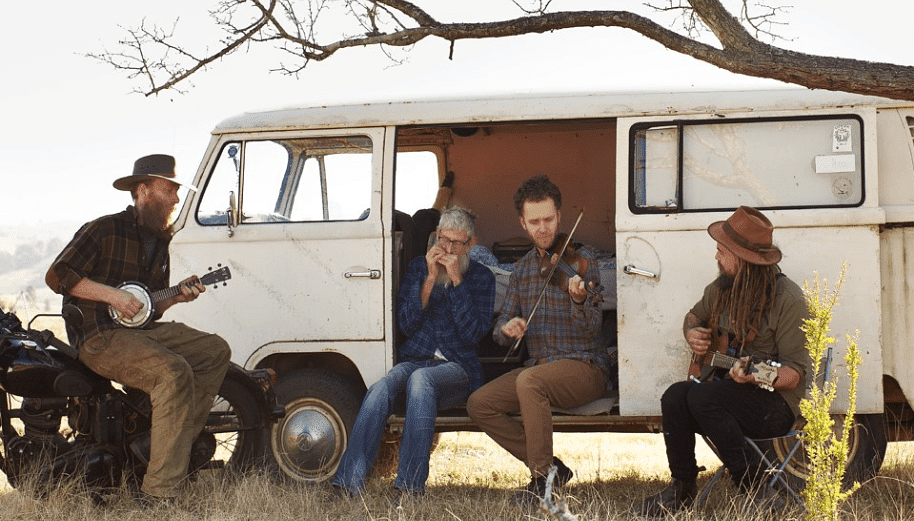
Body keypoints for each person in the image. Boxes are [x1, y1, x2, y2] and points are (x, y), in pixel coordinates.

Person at [45, 154, 231, 504]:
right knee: (172, 373)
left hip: (137, 333)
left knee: (214, 351)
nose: (176, 199)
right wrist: (111, 296)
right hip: (98, 336)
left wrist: (178, 297)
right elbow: (58, 276)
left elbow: (147, 309)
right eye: (169, 189)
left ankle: (159, 449)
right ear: (143, 190)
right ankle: (159, 494)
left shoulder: (161, 241)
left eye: (177, 191)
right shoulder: (103, 229)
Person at [635, 206, 809, 517]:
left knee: (703, 397)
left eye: (722, 251)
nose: (717, 258)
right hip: (726, 396)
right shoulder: (721, 289)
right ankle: (682, 488)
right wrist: (692, 333)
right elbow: (693, 316)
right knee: (675, 396)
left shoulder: (788, 299)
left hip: (776, 406)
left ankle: (758, 490)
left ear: (743, 260)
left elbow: (794, 376)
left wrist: (756, 373)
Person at [332, 207, 495, 497]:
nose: (447, 248)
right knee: (381, 387)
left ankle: (409, 488)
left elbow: (473, 335)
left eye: (456, 243)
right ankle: (347, 483)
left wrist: (456, 281)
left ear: (471, 243)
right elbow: (405, 324)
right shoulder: (420, 268)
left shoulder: (482, 278)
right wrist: (430, 280)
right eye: (442, 239)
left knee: (422, 380)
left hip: (458, 369)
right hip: (416, 359)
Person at [466, 174, 607, 505]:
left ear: (559, 216)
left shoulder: (583, 261)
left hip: (584, 368)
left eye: (548, 219)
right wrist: (508, 328)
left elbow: (593, 329)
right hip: (539, 370)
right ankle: (553, 468)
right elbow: (501, 327)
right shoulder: (522, 270)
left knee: (530, 381)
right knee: (479, 403)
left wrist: (577, 301)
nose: (543, 228)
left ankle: (543, 481)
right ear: (523, 223)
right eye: (535, 221)